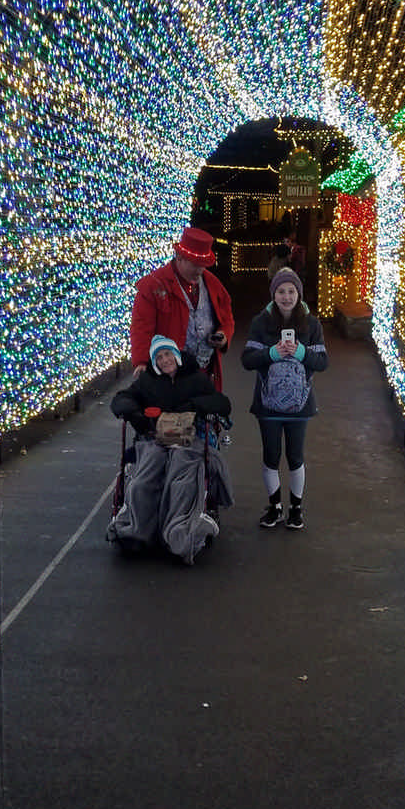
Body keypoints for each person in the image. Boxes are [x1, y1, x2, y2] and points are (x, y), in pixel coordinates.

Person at [108, 335, 234, 563]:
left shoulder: (196, 378)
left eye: (168, 354)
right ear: (154, 362)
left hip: (187, 436)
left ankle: (180, 533)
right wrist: (135, 414)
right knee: (143, 478)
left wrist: (195, 406)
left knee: (182, 477)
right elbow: (122, 399)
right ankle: (136, 531)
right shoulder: (147, 381)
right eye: (159, 357)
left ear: (176, 355)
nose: (165, 360)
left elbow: (223, 404)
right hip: (154, 436)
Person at [241, 267, 328, 530]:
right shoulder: (260, 323)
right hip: (268, 405)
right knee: (270, 455)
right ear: (273, 294)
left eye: (291, 291)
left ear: (299, 294)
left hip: (300, 405)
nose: (287, 297)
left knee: (295, 456)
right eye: (281, 291)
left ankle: (296, 508)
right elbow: (247, 360)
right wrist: (272, 353)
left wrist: (300, 351)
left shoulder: (312, 325)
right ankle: (275, 506)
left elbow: (322, 362)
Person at [130, 227, 235, 392]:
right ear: (179, 257)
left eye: (204, 265)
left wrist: (223, 335)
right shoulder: (153, 286)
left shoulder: (212, 283)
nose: (200, 270)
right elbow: (141, 327)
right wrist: (142, 362)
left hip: (205, 374)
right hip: (170, 377)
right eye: (195, 264)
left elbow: (226, 316)